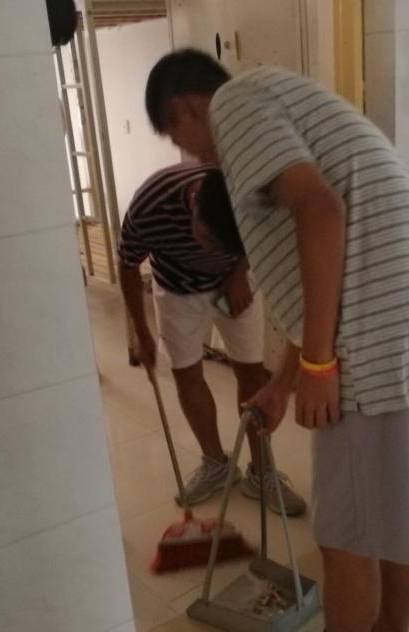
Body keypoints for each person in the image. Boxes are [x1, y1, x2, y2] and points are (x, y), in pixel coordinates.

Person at [146, 51, 409, 632]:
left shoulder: (237, 105)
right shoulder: (291, 105)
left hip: (370, 355)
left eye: (178, 137)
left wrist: (319, 364)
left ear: (186, 108)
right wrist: (285, 382)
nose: (194, 155)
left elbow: (321, 209)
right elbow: (326, 268)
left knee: (346, 539)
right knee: (395, 520)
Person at [118, 162, 306, 514]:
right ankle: (216, 464)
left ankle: (261, 473)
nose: (210, 250)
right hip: (176, 288)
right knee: (186, 374)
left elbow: (264, 236)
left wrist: (238, 270)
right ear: (194, 201)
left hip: (236, 283)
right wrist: (141, 332)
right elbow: (127, 265)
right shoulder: (150, 205)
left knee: (252, 376)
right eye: (205, 239)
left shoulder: (250, 193)